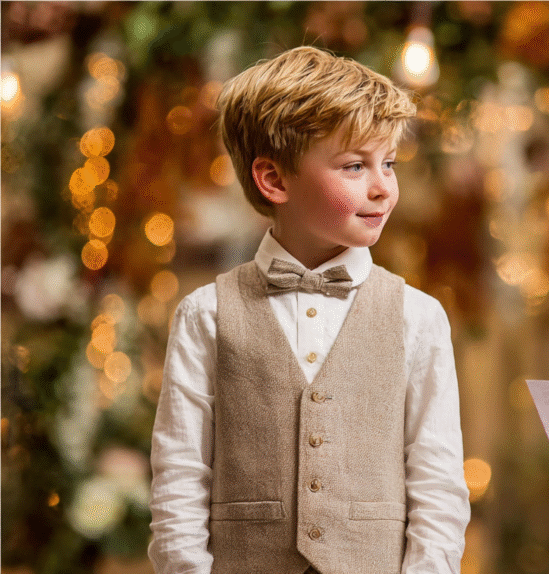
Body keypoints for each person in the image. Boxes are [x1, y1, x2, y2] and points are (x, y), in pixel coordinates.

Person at [148, 46, 470, 574]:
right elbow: (179, 479)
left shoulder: (419, 317)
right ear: (273, 180)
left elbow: (437, 485)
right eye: (353, 166)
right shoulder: (204, 315)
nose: (382, 187)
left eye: (387, 164)